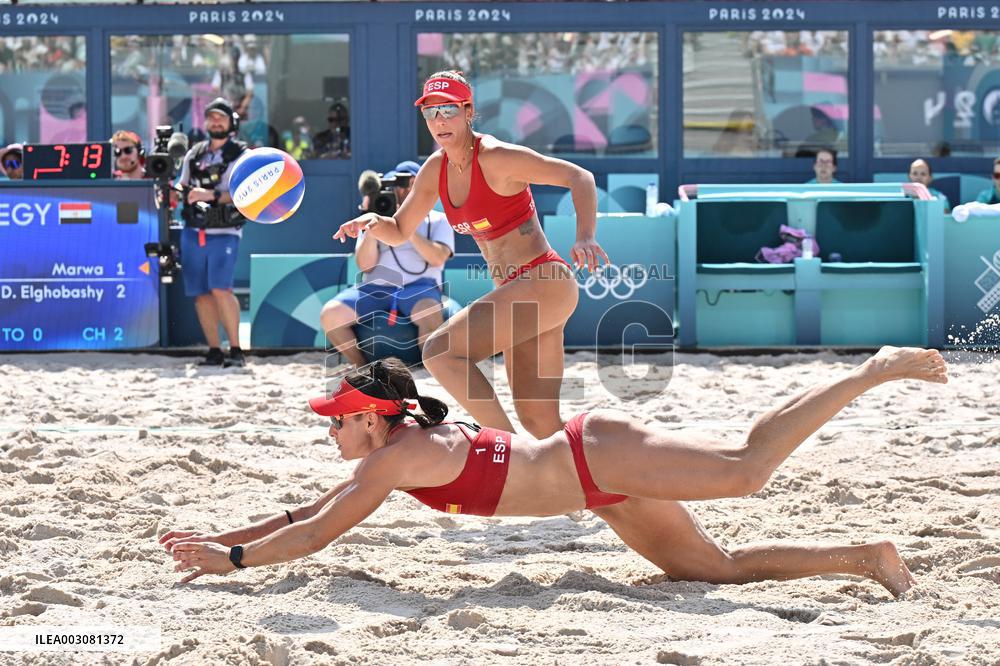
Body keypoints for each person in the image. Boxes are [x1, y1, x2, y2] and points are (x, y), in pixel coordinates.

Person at [162, 347, 949, 597]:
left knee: (749, 471)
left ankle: (870, 372)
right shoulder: (390, 457)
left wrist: (231, 563)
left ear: (374, 416)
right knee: (715, 571)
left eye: (337, 417)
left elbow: (315, 537)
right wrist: (218, 541)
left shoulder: (393, 461)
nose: (330, 428)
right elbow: (304, 512)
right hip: (599, 491)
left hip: (594, 454)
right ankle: (868, 558)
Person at [333, 70, 609, 439]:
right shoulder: (436, 169)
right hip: (519, 292)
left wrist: (585, 236)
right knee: (540, 424)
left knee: (439, 352)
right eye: (430, 113)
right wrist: (372, 221)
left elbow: (580, 177)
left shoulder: (496, 157)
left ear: (467, 110)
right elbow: (399, 230)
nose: (439, 121)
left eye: (448, 110)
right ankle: (607, 488)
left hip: (544, 281)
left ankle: (508, 453)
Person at [321, 161, 455, 367]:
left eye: (404, 185)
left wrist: (404, 228)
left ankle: (431, 370)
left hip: (420, 287)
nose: (399, 192)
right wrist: (376, 227)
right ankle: (362, 367)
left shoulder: (439, 220)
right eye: (395, 187)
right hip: (375, 288)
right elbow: (365, 267)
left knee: (428, 313)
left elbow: (438, 258)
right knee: (331, 314)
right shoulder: (375, 219)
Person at [174, 97, 249, 368]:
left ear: (232, 123)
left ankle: (237, 350)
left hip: (225, 230)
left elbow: (248, 194)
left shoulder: (242, 154)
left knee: (221, 288)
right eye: (211, 117)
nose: (215, 121)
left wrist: (212, 194)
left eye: (221, 117)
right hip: (194, 230)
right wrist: (180, 194)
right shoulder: (194, 153)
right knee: (201, 293)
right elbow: (181, 186)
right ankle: (215, 350)